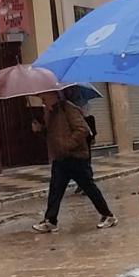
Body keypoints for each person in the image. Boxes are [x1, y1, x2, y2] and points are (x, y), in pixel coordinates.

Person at [30, 89, 116, 233]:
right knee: (55, 190)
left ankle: (108, 215)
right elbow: (52, 137)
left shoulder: (68, 108)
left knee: (89, 187)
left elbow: (82, 130)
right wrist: (40, 130)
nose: (42, 100)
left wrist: (67, 145)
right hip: (60, 158)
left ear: (53, 95)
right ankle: (50, 221)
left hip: (76, 158)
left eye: (44, 97)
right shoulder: (49, 113)